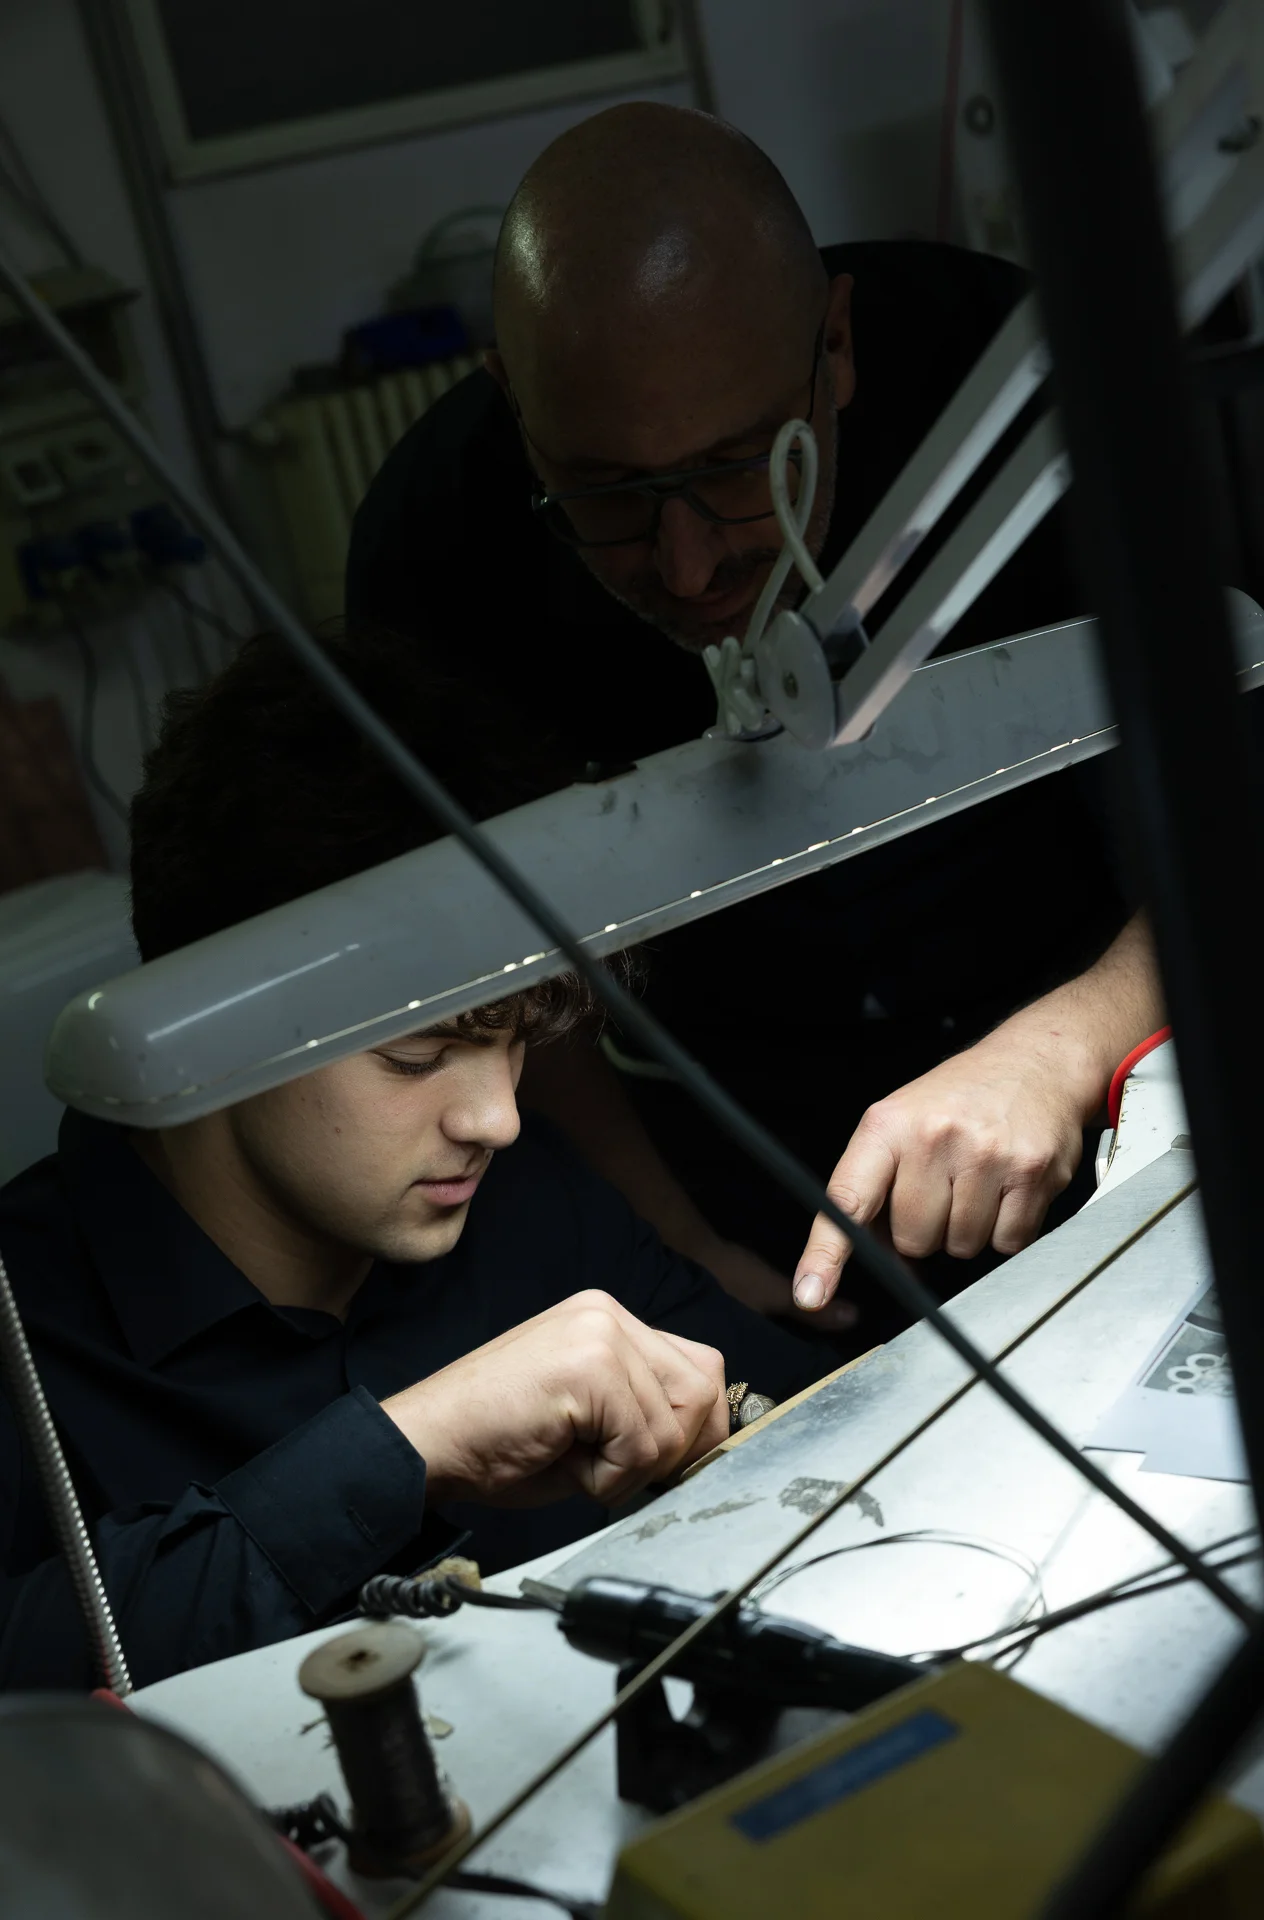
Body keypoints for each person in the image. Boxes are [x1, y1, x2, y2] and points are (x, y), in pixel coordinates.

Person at [347, 101, 1159, 1343]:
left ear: (833, 349)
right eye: (610, 495)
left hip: (1117, 1039)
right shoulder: (440, 545)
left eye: (737, 469)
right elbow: (498, 960)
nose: (684, 567)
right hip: (726, 1150)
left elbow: (1243, 794)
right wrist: (673, 1248)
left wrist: (1064, 1048)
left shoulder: (1009, 394)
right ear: (515, 405)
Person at [0, 630, 825, 1692]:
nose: (496, 1118)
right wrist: (404, 1452)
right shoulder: (26, 1337)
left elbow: (807, 1426)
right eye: (418, 1055)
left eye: (516, 1038)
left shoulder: (527, 1206)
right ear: (203, 1028)